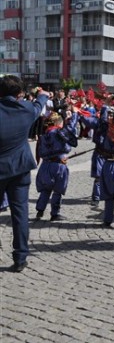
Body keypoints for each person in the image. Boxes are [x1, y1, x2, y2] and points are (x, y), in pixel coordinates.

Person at [0, 75, 49, 272]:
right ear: (19, 94)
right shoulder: (26, 110)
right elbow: (39, 105)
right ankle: (20, 257)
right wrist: (43, 95)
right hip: (20, 169)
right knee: (20, 215)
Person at [35, 110, 79, 221]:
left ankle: (40, 209)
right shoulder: (59, 132)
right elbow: (71, 129)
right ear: (58, 123)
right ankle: (55, 213)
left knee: (46, 189)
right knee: (58, 190)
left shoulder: (44, 134)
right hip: (58, 166)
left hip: (45, 165)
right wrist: (75, 115)